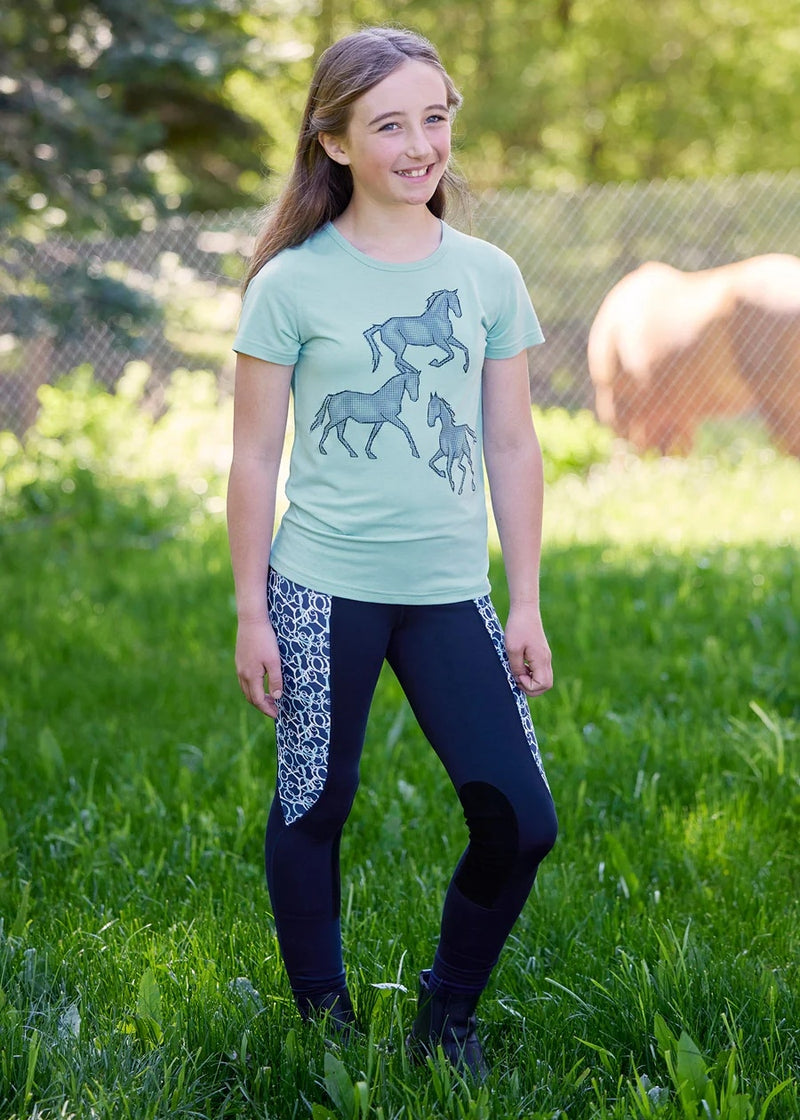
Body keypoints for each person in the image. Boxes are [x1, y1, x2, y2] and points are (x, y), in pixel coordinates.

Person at [226, 25, 558, 1079]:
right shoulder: (290, 284)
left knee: (522, 821)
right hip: (321, 589)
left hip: (450, 593)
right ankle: (323, 1028)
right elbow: (252, 457)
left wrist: (524, 601)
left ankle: (445, 1016)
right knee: (314, 804)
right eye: (389, 126)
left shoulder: (487, 274)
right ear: (333, 142)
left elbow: (511, 444)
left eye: (434, 119)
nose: (420, 146)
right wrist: (250, 610)